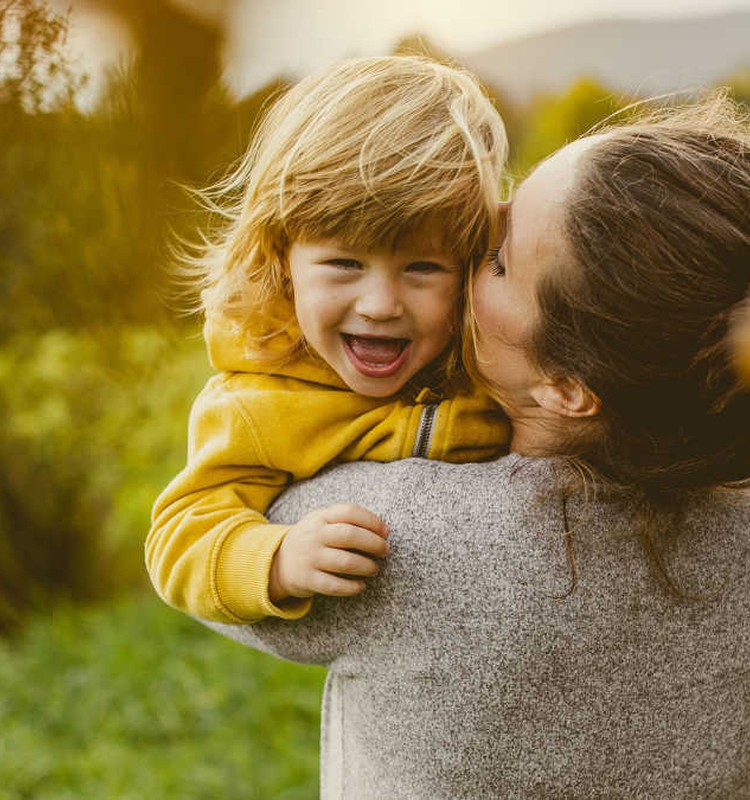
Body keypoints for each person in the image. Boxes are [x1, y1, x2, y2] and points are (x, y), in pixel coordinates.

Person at [205, 92, 750, 797]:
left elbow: (207, 545)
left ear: (566, 385)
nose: (462, 248)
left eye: (495, 259)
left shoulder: (391, 533)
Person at [146, 56, 509, 625]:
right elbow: (179, 536)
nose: (381, 305)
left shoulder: (493, 353)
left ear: (470, 267)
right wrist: (276, 559)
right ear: (281, 260)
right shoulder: (258, 403)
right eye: (344, 263)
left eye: (422, 268)